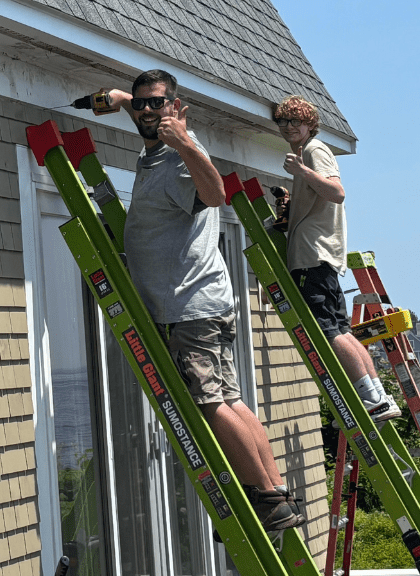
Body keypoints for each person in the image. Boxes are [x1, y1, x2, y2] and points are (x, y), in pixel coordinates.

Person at [95, 70, 303, 532]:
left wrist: (186, 143)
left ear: (176, 104)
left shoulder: (178, 157)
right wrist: (115, 100)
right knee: (230, 398)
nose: (148, 111)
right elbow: (126, 101)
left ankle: (266, 499)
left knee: (209, 404)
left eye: (158, 104)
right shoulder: (153, 133)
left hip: (187, 308)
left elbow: (215, 195)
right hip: (203, 303)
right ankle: (275, 491)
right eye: (142, 104)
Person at [273, 94, 402, 425]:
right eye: (283, 122)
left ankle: (371, 398)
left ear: (310, 124)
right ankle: (377, 396)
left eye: (295, 122)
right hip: (322, 254)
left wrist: (301, 170)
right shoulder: (308, 152)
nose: (288, 128)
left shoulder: (314, 151)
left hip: (312, 256)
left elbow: (337, 192)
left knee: (327, 330)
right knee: (342, 330)